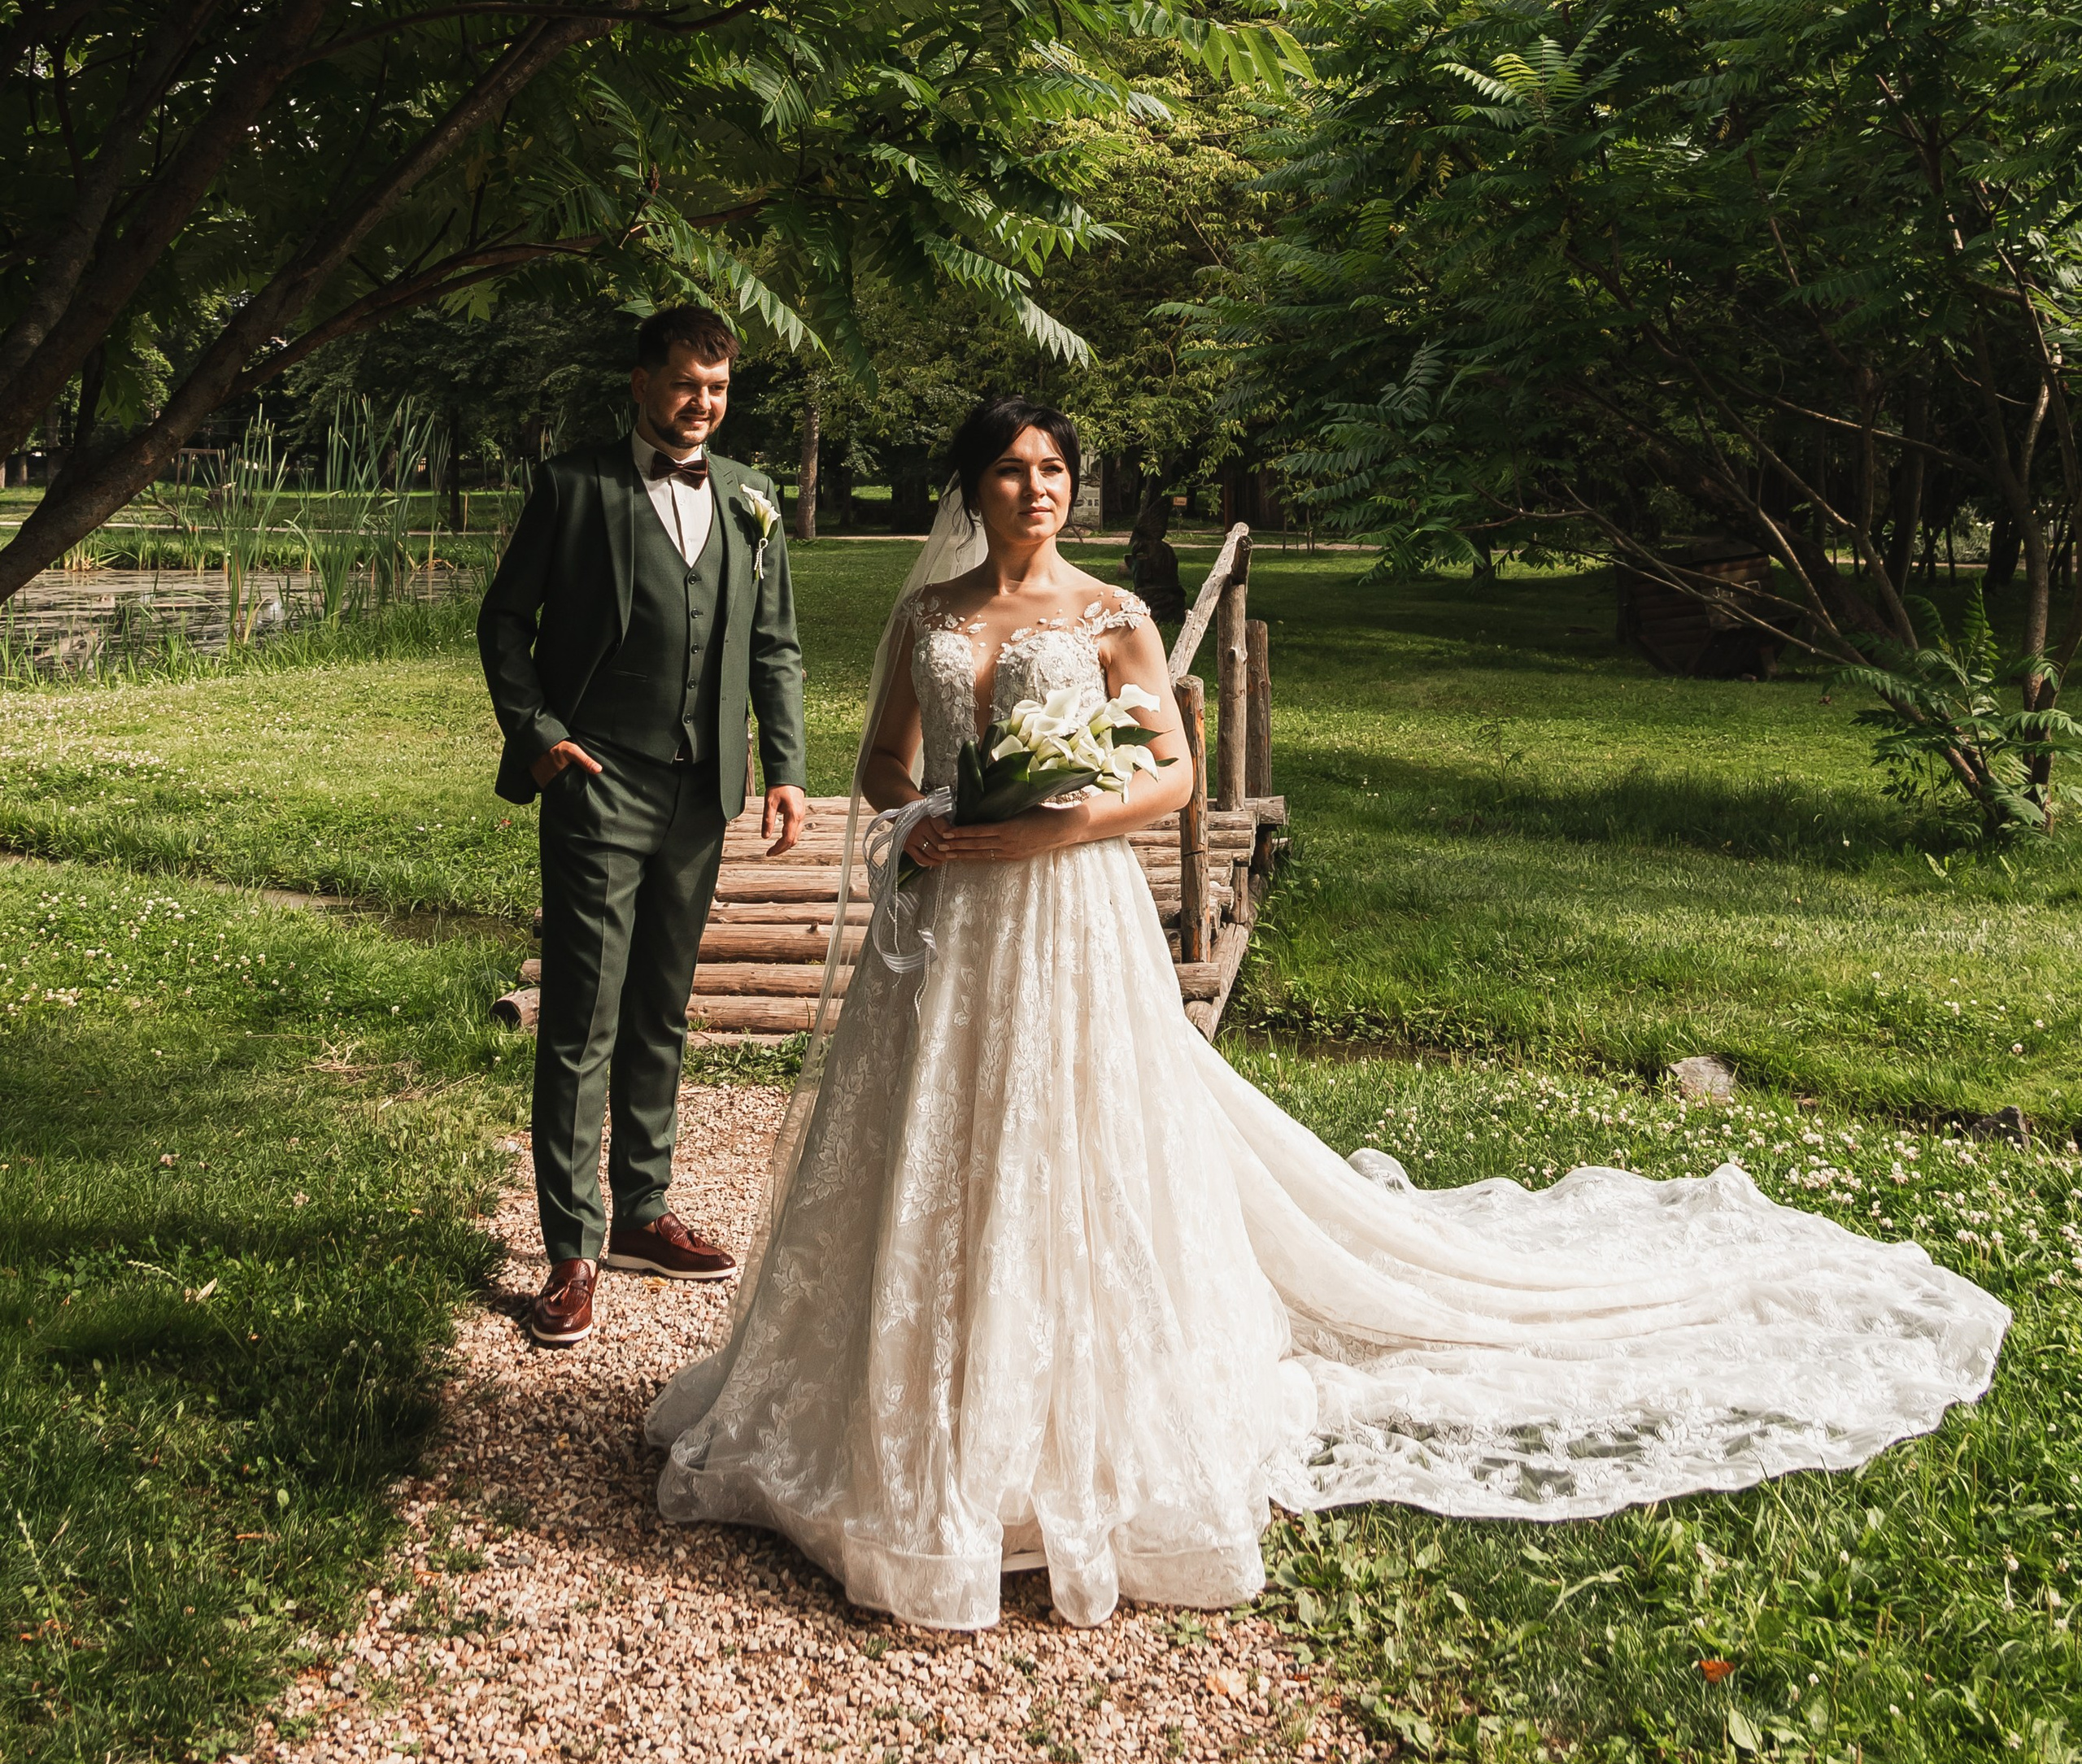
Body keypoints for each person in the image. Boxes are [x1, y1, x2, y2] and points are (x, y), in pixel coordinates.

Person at [644, 395, 2006, 1632]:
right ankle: (918, 1416)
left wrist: (1038, 831)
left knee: (1080, 1147)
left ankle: (1075, 1424)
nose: (1037, 491)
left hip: (1072, 921)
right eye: (1011, 472)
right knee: (936, 1156)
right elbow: (885, 768)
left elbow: (1171, 784)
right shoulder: (930, 621)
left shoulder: (1112, 617)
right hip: (952, 937)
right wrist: (943, 820)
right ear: (972, 490)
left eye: (1055, 470)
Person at [479, 304, 808, 1349]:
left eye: (716, 389)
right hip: (598, 779)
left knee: (663, 1008)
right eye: (683, 385)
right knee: (582, 1018)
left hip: (700, 790)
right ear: (639, 383)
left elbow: (776, 647)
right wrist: (538, 734)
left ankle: (643, 1213)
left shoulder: (753, 499)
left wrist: (787, 768)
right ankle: (571, 1252)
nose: (699, 405)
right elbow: (504, 622)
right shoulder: (574, 487)